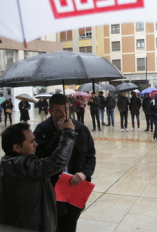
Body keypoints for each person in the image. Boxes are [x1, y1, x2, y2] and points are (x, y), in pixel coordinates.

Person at [0, 121, 76, 232]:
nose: (36, 144)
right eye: (31, 142)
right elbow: (57, 162)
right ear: (17, 147)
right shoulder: (22, 167)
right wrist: (68, 132)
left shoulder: (1, 168)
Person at [34, 94, 96, 232]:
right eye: (58, 111)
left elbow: (90, 156)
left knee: (70, 224)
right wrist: (61, 134)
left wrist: (84, 173)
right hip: (51, 188)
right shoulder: (41, 130)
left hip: (74, 187)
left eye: (66, 110)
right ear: (50, 111)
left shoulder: (81, 129)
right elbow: (40, 156)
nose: (64, 114)